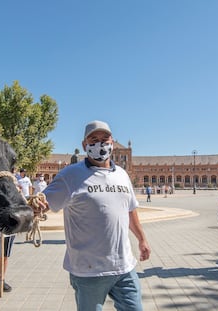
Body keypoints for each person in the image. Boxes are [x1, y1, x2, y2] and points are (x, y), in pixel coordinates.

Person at [40, 120, 151, 311]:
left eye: (104, 139)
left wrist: (142, 239)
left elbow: (130, 209)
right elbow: (42, 203)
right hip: (89, 271)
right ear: (85, 144)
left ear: (112, 143)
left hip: (124, 267)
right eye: (94, 139)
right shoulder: (70, 175)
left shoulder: (122, 175)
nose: (100, 143)